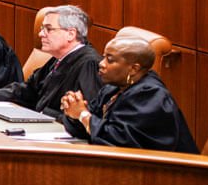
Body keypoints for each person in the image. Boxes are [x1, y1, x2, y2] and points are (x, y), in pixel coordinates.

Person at [60, 37, 198, 153]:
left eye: (110, 60)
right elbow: (92, 128)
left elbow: (121, 141)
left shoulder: (151, 96)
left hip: (168, 175)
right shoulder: (112, 88)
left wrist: (83, 115)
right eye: (103, 57)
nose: (101, 64)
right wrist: (73, 110)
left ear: (133, 68)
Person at [0, 4, 102, 117]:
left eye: (48, 29)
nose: (41, 34)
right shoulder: (59, 58)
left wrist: (44, 114)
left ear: (71, 34)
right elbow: (29, 90)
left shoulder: (89, 63)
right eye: (42, 28)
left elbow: (87, 112)